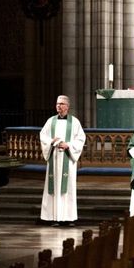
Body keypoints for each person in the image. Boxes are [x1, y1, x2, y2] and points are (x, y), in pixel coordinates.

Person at [39, 95, 86, 226]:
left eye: (61, 104)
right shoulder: (51, 121)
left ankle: (68, 218)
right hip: (54, 158)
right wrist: (51, 141)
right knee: (53, 188)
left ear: (67, 106)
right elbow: (43, 136)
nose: (58, 106)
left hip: (67, 159)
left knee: (68, 188)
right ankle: (53, 218)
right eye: (57, 104)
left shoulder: (74, 122)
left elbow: (81, 139)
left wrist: (69, 145)